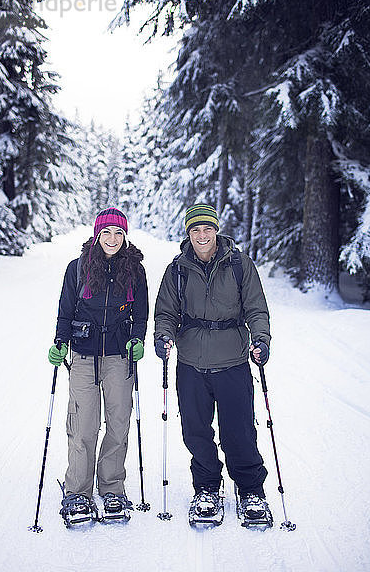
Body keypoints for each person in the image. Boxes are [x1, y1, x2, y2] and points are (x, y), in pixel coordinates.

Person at [154, 204, 272, 527]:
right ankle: (207, 487)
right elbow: (165, 312)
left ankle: (250, 490)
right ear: (188, 234)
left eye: (207, 229)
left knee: (239, 430)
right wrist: (163, 336)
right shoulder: (177, 270)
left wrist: (260, 339)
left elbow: (256, 309)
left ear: (216, 230)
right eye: (195, 230)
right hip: (191, 363)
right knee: (196, 431)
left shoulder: (239, 265)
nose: (202, 235)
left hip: (233, 362)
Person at [48, 207, 149, 522]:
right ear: (96, 234)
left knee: (119, 425)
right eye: (106, 232)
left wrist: (138, 338)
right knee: (83, 426)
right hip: (84, 354)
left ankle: (112, 488)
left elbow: (141, 311)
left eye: (119, 232)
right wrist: (59, 342)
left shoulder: (135, 270)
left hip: (120, 357)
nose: (112, 238)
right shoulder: (76, 268)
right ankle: (78, 492)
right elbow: (65, 309)